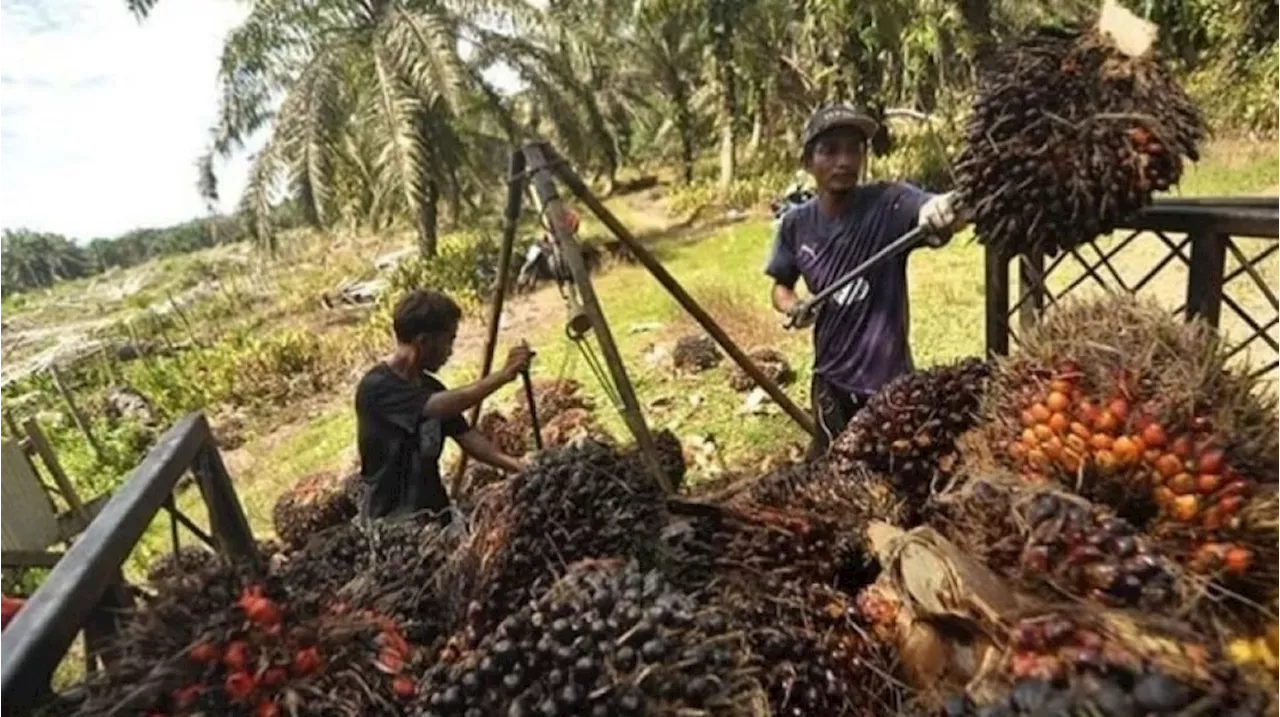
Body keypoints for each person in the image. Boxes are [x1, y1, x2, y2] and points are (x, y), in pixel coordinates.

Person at [765, 103, 962, 459]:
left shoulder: (889, 203)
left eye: (854, 149)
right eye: (830, 150)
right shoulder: (795, 224)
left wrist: (944, 211)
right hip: (831, 379)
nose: (845, 160)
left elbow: (933, 213)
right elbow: (780, 285)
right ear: (808, 161)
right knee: (832, 469)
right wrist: (794, 306)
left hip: (889, 381)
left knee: (898, 470)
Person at [354, 288, 534, 522]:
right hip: (392, 523)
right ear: (423, 341)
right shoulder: (377, 387)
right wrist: (504, 375)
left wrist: (521, 467)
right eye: (449, 340)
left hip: (435, 515)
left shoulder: (430, 386)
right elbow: (438, 407)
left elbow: (469, 439)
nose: (450, 352)